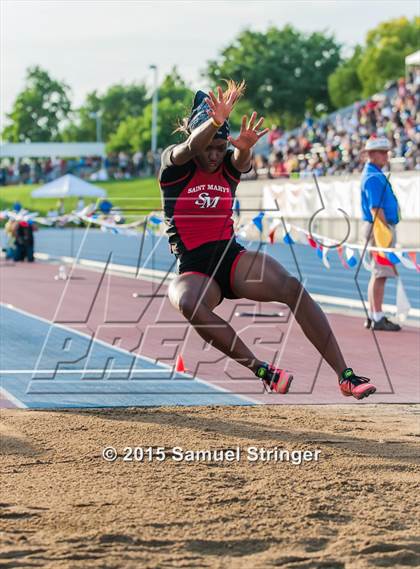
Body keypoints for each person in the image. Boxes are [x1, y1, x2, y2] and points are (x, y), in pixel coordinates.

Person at [158, 81, 377, 399]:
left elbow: (242, 161)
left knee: (293, 288)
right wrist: (216, 122)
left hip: (231, 259)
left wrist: (243, 146)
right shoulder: (174, 167)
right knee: (188, 302)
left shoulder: (228, 165)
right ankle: (263, 369)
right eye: (210, 148)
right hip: (194, 268)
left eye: (221, 148)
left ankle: (346, 377)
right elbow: (191, 147)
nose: (215, 156)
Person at [361, 136, 401, 331]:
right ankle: (377, 317)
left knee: (378, 273)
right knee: (380, 273)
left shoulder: (374, 173)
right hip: (379, 228)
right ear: (371, 154)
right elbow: (376, 209)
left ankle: (373, 315)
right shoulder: (373, 177)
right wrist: (385, 233)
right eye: (382, 152)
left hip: (378, 227)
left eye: (386, 152)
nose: (386, 155)